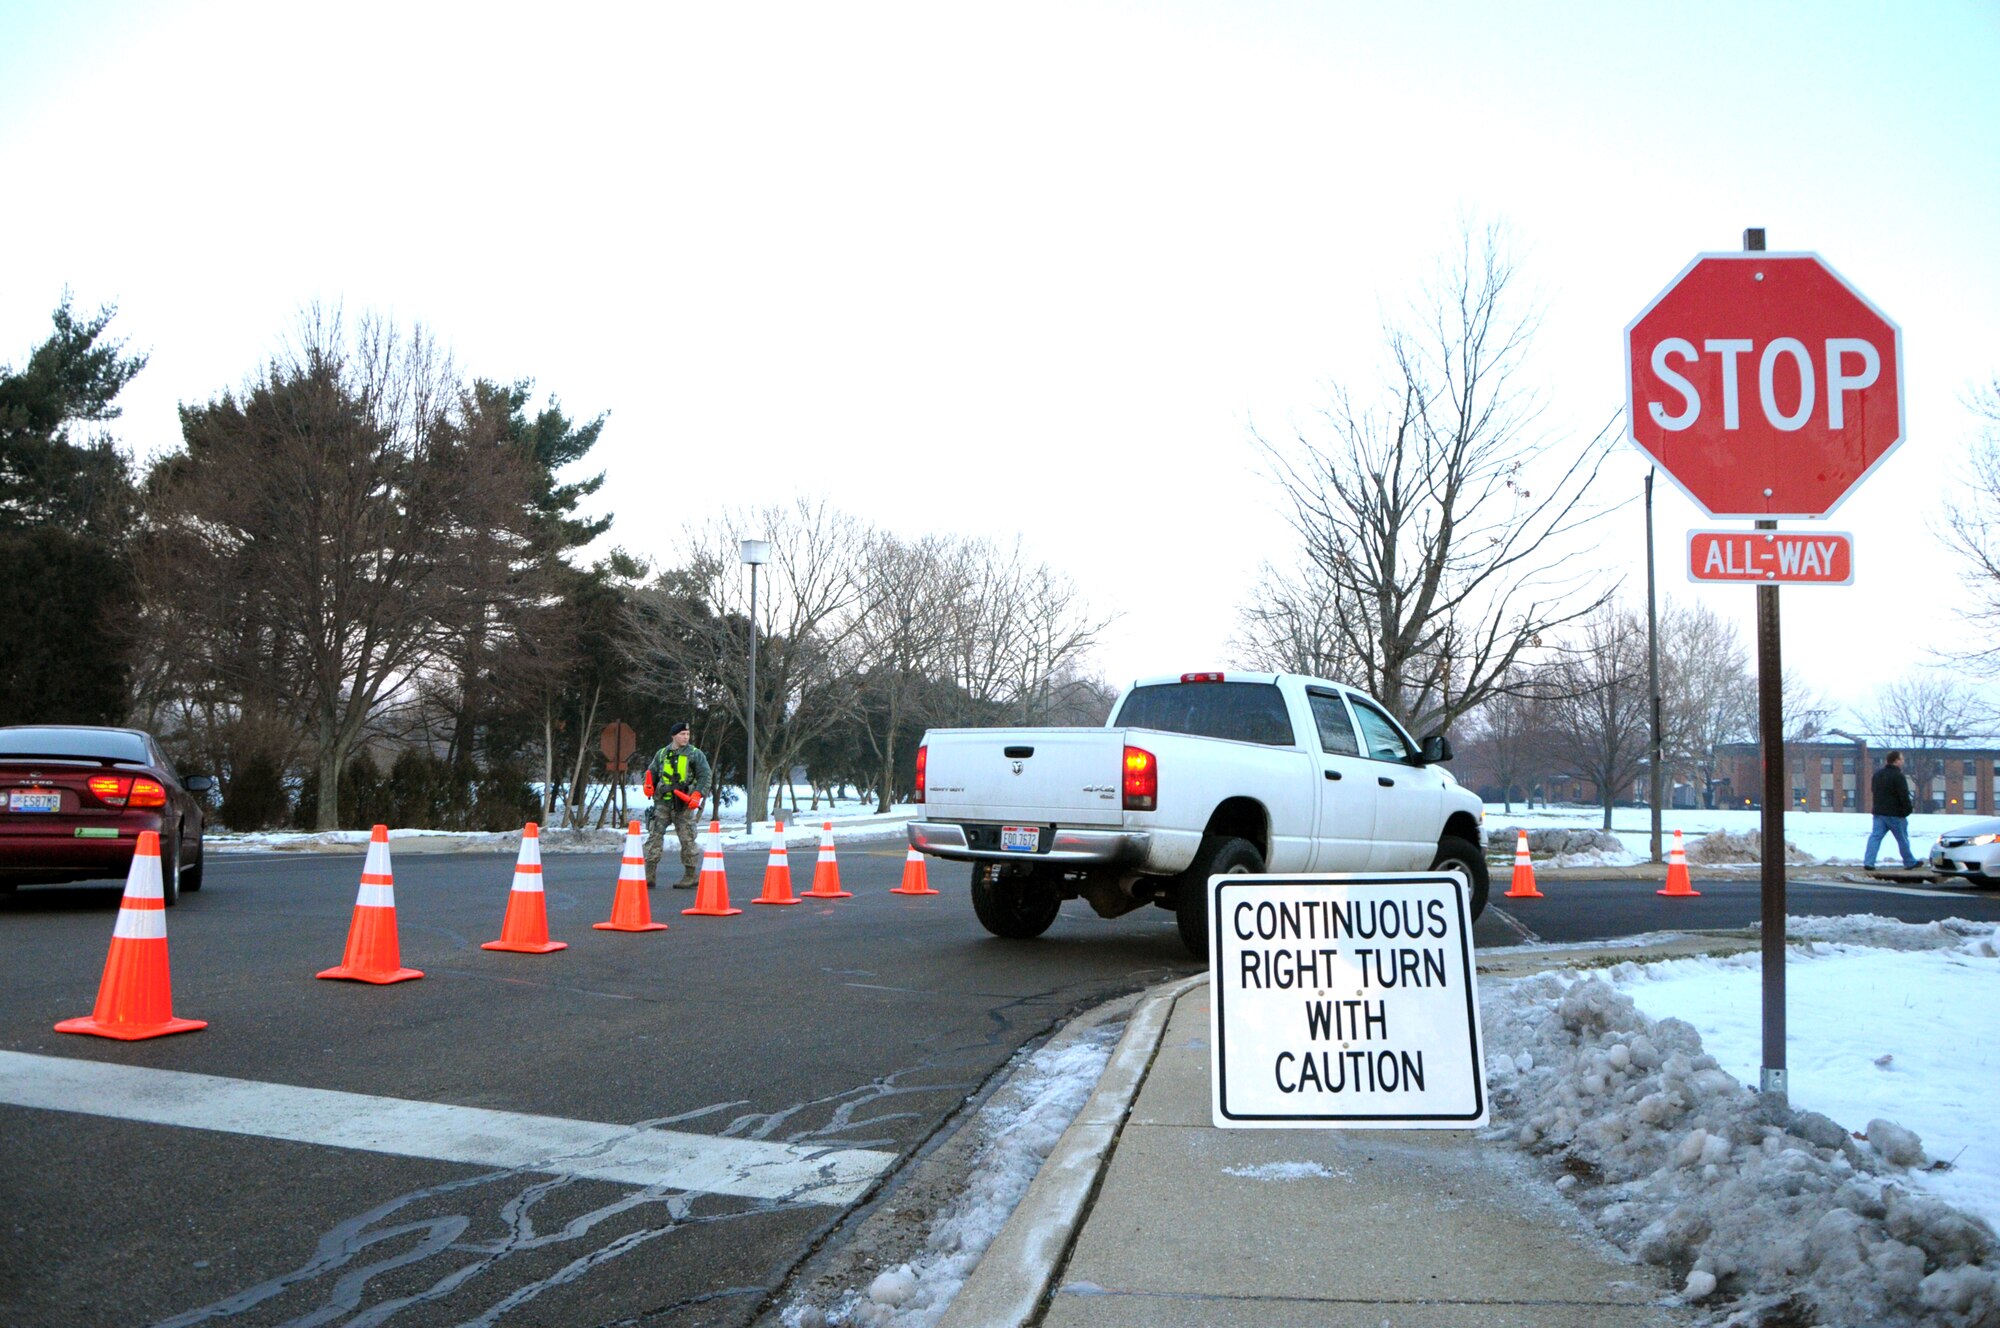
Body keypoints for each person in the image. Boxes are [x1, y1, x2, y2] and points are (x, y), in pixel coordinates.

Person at [643, 723, 714, 888]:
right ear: (673, 736)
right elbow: (651, 772)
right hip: (662, 802)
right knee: (654, 836)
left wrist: (697, 794)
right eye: (682, 734)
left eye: (687, 734)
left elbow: (705, 775)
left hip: (684, 803)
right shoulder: (661, 754)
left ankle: (690, 875)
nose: (686, 737)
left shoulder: (695, 754)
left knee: (687, 838)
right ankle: (649, 874)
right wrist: (648, 785)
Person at [1864, 750, 1922, 872]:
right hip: (1895, 813)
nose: (1903, 761)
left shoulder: (1877, 775)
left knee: (1875, 837)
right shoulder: (1898, 776)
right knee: (1902, 839)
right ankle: (1909, 862)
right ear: (1896, 761)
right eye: (1902, 759)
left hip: (1879, 812)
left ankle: (1869, 862)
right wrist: (1907, 809)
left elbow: (1874, 791)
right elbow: (1903, 795)